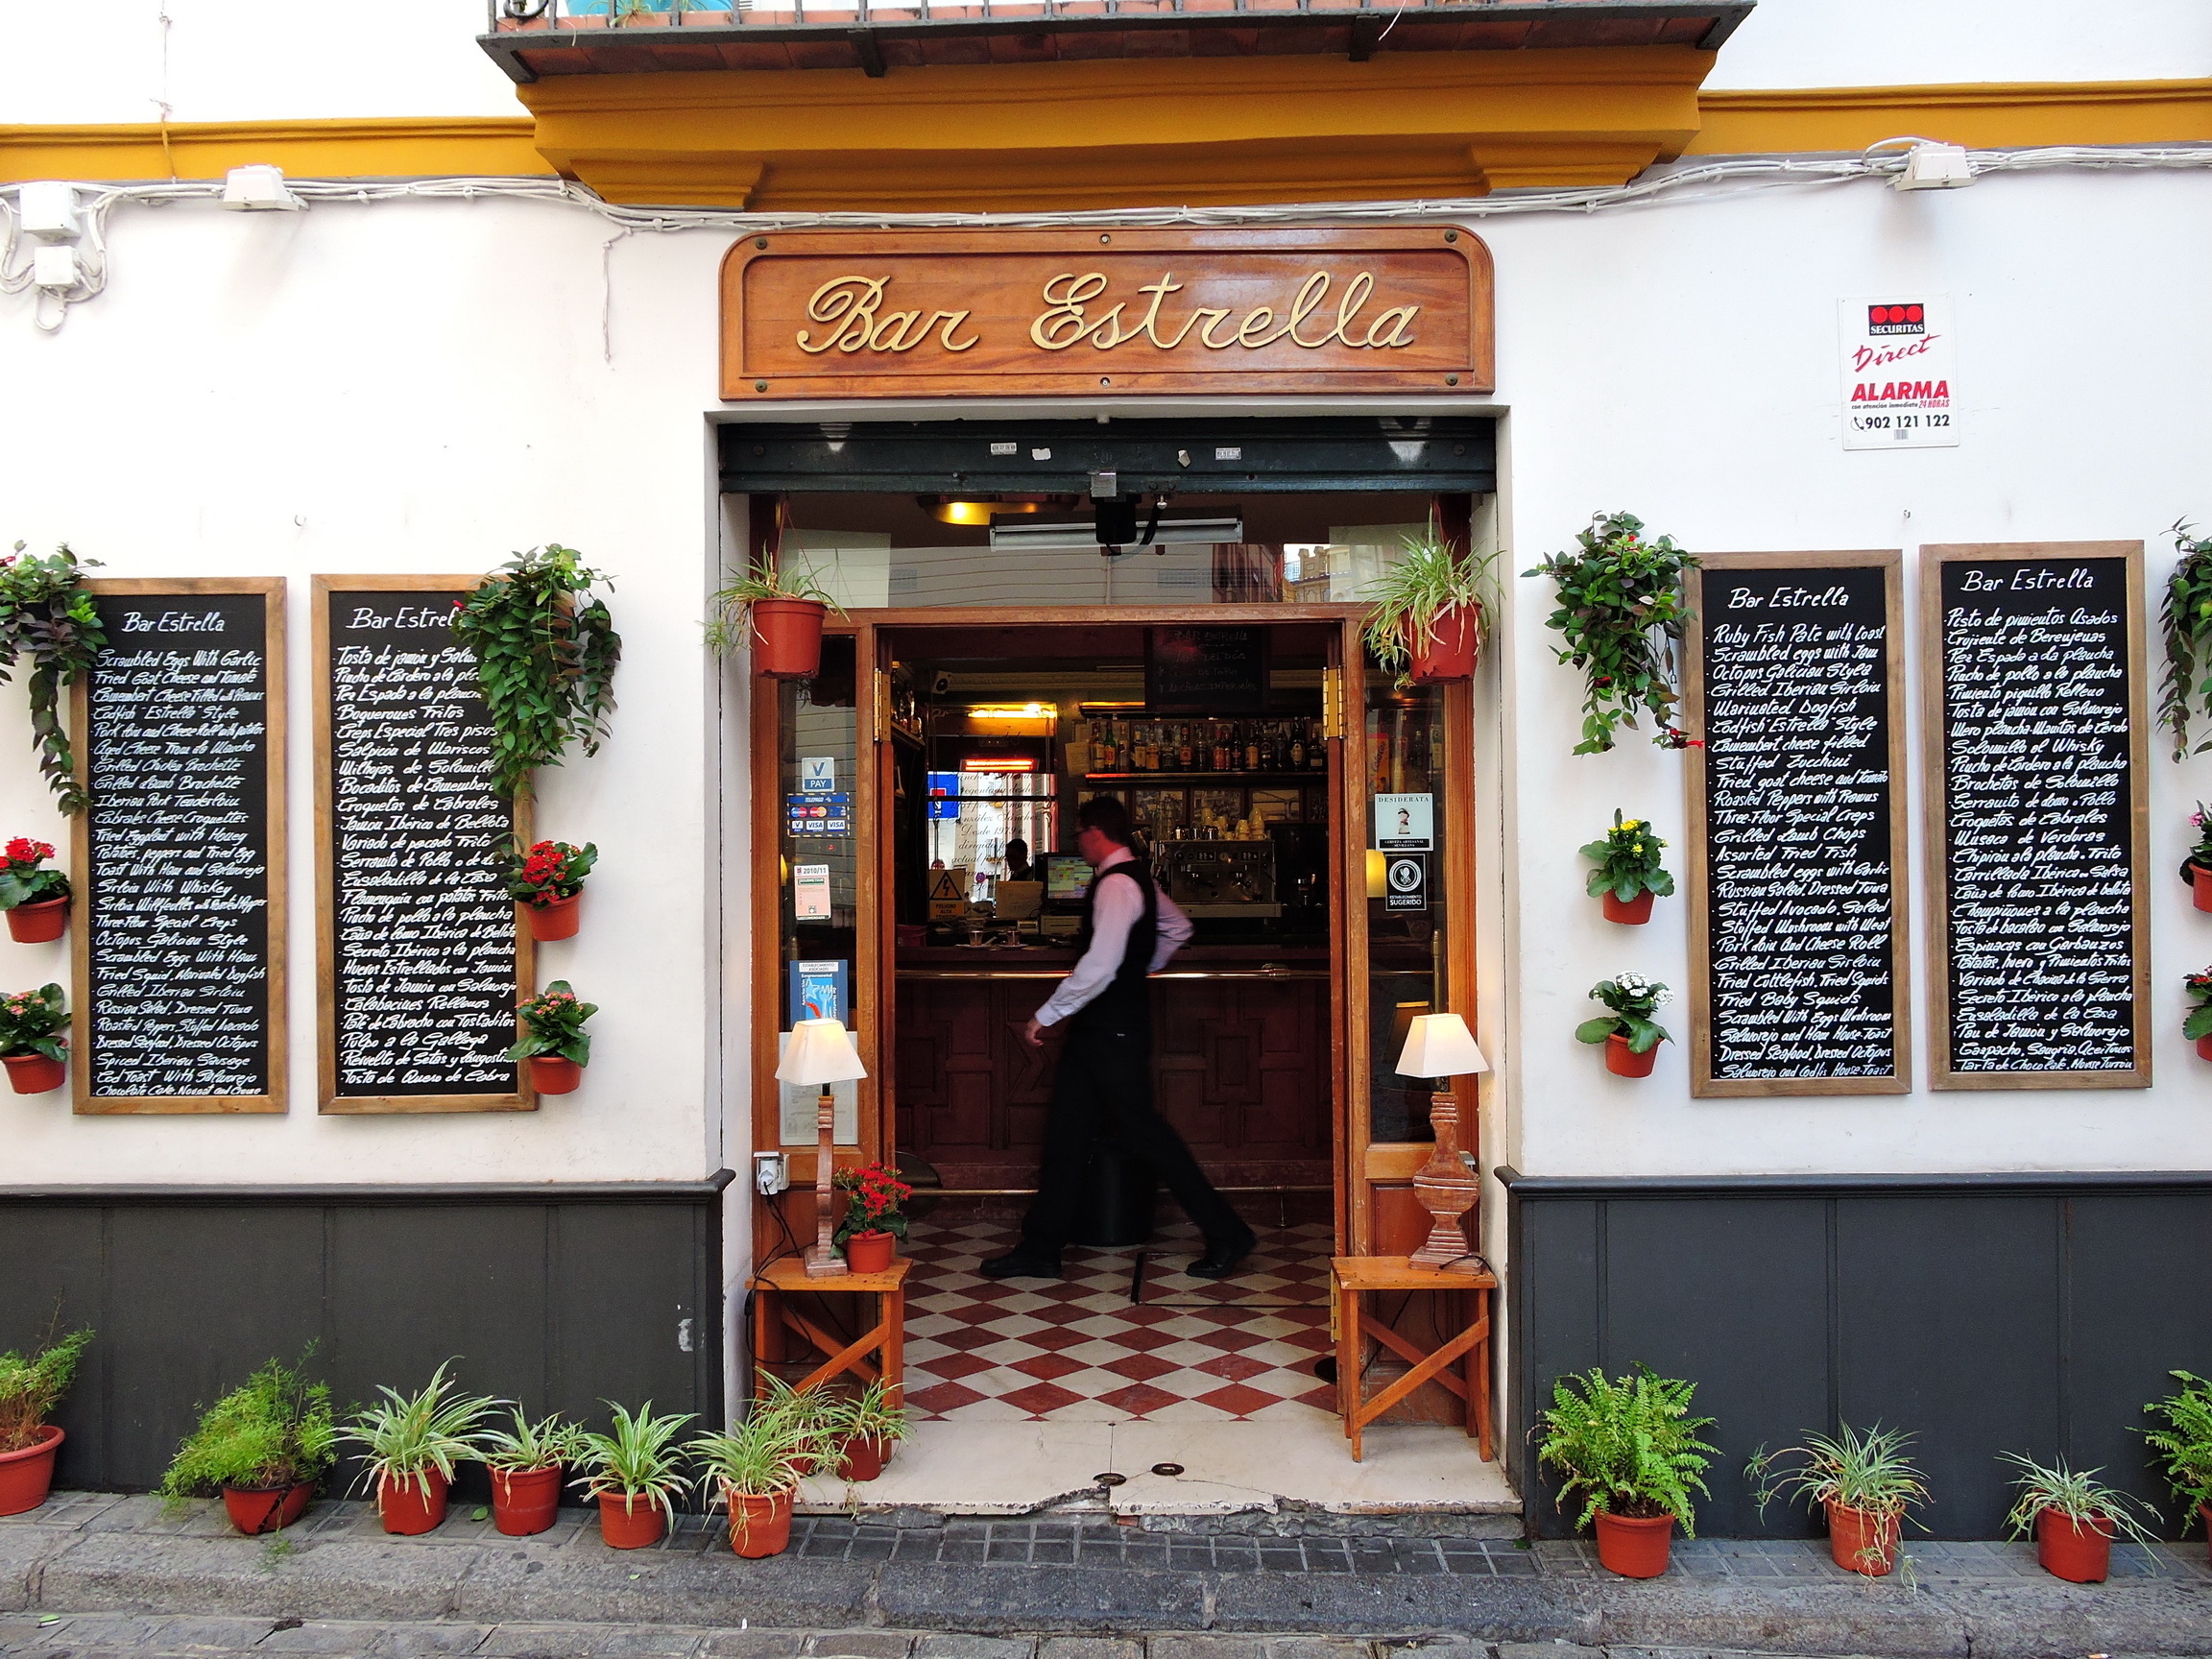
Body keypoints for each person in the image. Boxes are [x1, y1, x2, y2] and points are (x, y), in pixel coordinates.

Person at [982, 796, 1257, 1282]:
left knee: (1145, 1135)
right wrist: (1141, 967)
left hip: (1110, 1031)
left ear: (1095, 832)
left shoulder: (1115, 884)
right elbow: (1177, 927)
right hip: (1110, 1028)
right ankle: (1041, 1246)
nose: (1078, 844)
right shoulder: (1138, 879)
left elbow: (1100, 965)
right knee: (1067, 1136)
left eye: (1079, 834)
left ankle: (1227, 1233)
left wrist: (1047, 1014)